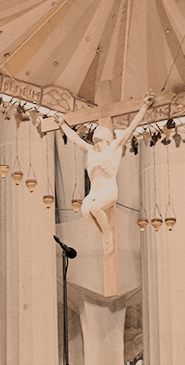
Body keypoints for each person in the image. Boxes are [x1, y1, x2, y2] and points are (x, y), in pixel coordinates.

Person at [57, 94, 152, 254]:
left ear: (109, 136)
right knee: (85, 210)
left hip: (108, 191)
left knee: (94, 209)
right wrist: (62, 125)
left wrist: (145, 106)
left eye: (102, 130)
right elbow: (74, 138)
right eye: (97, 129)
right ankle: (104, 235)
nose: (98, 131)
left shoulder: (114, 146)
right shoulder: (90, 150)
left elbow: (130, 129)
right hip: (93, 192)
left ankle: (108, 235)